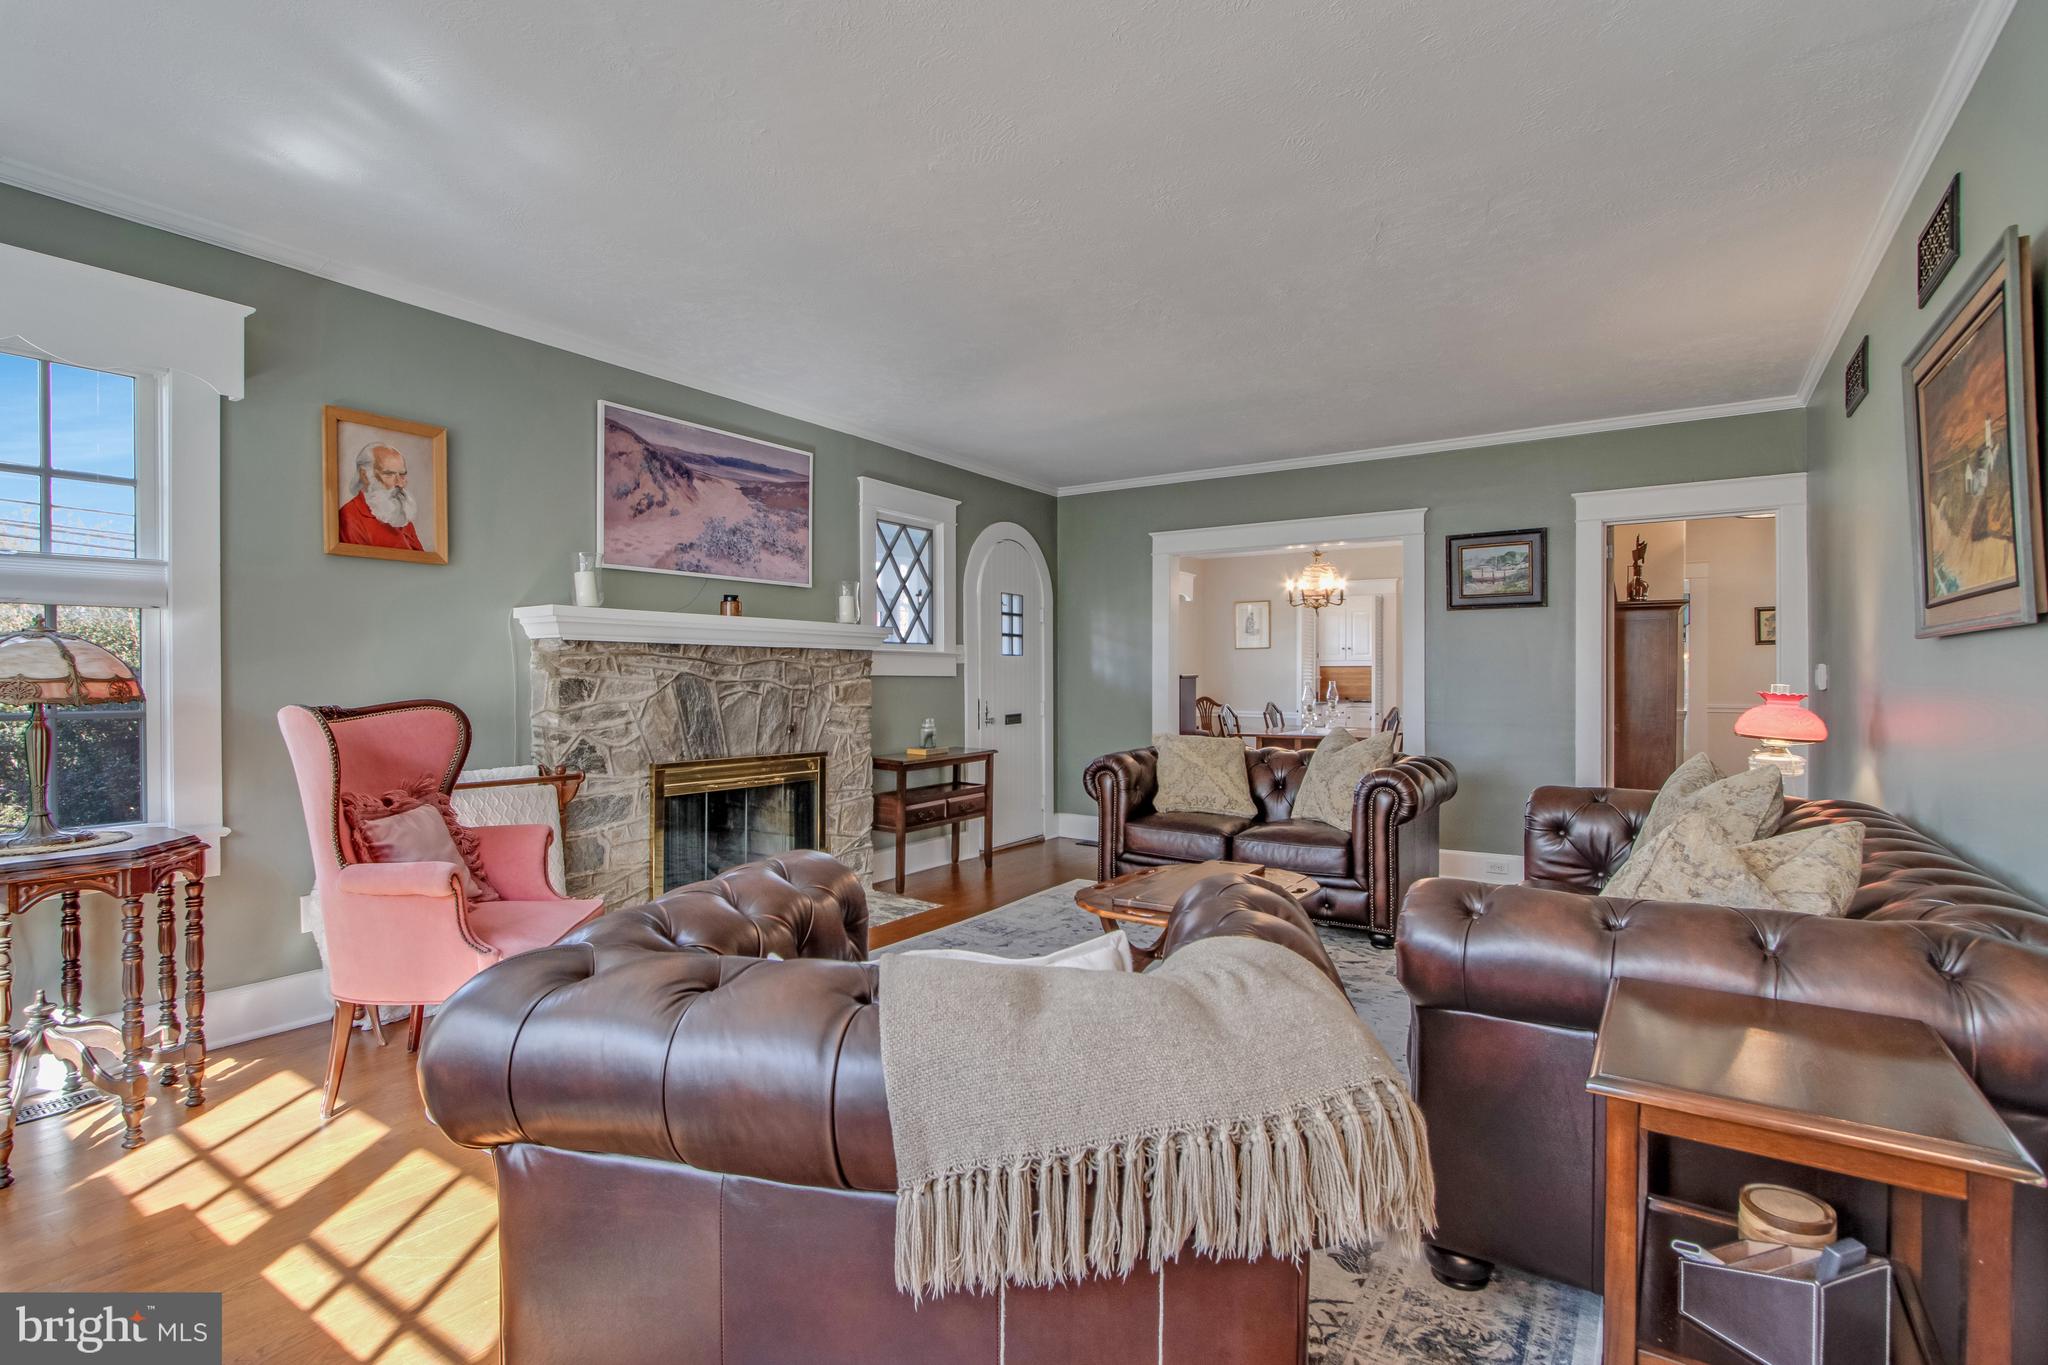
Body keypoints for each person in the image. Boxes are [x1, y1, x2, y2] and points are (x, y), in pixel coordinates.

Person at [337, 442, 423, 551]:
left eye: (402, 474)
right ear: (365, 476)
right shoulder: (349, 518)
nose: (400, 484)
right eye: (389, 474)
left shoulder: (400, 510)